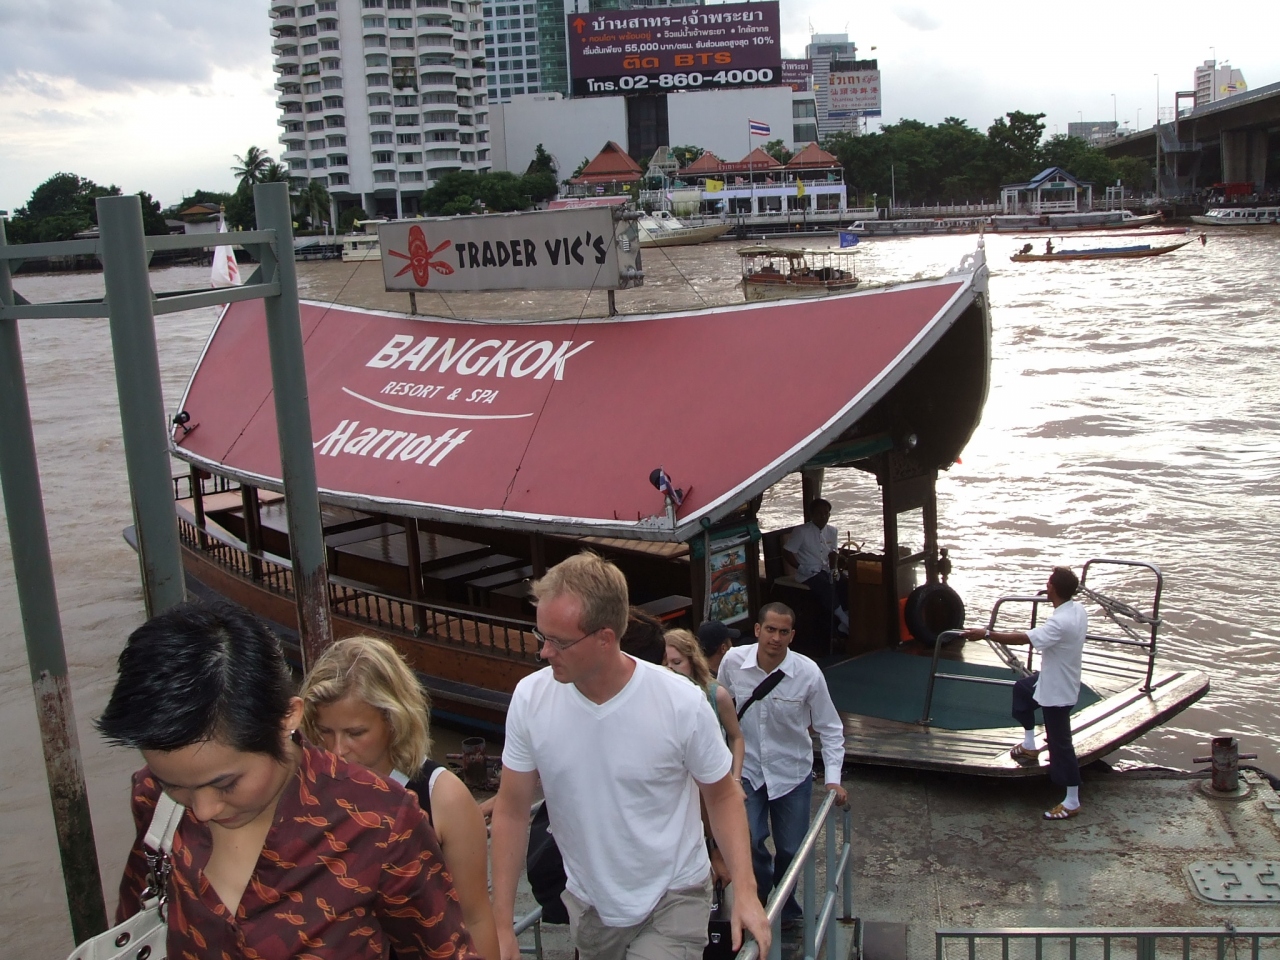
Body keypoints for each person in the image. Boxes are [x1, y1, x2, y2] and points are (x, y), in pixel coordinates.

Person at [96, 601, 478, 960]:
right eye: (174, 785)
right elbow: (133, 926)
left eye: (226, 784)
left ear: (288, 718)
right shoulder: (153, 800)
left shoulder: (380, 823)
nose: (203, 809)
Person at [490, 552, 770, 960]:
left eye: (559, 641)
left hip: (674, 897)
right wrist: (501, 925)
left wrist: (745, 890)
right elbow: (512, 810)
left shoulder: (680, 702)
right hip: (590, 906)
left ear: (605, 638)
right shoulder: (530, 699)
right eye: (541, 636)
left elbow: (722, 794)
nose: (544, 652)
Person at [299, 635, 500, 960]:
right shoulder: (306, 792)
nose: (337, 750)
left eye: (355, 733)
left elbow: (474, 918)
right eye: (324, 732)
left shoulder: (443, 797)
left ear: (394, 720)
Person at [717, 602, 847, 929]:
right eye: (770, 630)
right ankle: (761, 903)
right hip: (747, 770)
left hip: (792, 773)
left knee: (791, 850)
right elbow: (720, 711)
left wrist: (833, 778)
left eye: (783, 632)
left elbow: (830, 727)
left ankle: (784, 903)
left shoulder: (808, 673)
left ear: (792, 636)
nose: (775, 638)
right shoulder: (732, 662)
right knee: (748, 840)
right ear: (757, 630)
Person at [963, 565, 1087, 821]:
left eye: (1049, 583)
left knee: (1060, 744)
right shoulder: (1077, 610)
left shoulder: (1060, 622)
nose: (1046, 586)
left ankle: (1072, 800)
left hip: (1057, 691)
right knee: (1022, 691)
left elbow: (1023, 639)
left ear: (1054, 589)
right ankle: (1030, 745)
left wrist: (987, 634)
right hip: (1053, 678)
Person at [664, 628, 745, 783]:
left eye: (677, 662)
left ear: (692, 661)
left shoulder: (716, 694)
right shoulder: (658, 698)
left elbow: (736, 737)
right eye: (665, 663)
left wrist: (736, 778)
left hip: (715, 780)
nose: (670, 668)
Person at [781, 498, 848, 648]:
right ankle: (844, 620)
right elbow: (787, 552)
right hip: (807, 572)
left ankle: (841, 623)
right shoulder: (801, 531)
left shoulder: (832, 531)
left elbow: (833, 553)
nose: (823, 517)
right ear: (812, 515)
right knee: (824, 585)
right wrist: (800, 567)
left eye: (826, 513)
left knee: (844, 582)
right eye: (819, 513)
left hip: (825, 569)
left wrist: (834, 569)